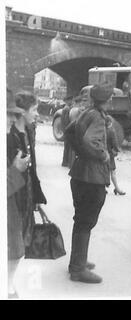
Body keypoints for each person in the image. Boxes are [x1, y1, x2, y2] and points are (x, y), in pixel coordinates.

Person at [65, 83, 113, 283]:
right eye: (110, 97)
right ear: (106, 100)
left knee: (81, 221)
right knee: (86, 222)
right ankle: (78, 269)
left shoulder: (86, 113)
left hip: (80, 174)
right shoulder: (98, 117)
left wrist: (81, 154)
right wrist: (102, 155)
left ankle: (77, 262)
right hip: (92, 178)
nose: (111, 100)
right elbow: (89, 141)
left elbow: (68, 133)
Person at [7, 90, 47, 297]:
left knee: (22, 238)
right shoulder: (9, 135)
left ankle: (9, 282)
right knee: (14, 245)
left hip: (26, 189)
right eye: (34, 109)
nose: (37, 113)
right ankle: (7, 287)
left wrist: (36, 197)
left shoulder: (29, 130)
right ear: (21, 112)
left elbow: (32, 167)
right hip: (13, 193)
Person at [7, 89, 31, 299]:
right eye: (7, 114)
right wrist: (16, 170)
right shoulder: (9, 137)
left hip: (15, 199)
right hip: (9, 201)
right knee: (14, 250)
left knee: (15, 249)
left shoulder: (11, 134)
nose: (11, 119)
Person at [106, 115, 125, 195]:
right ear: (110, 122)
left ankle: (103, 188)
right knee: (112, 172)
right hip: (109, 154)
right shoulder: (111, 131)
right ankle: (117, 188)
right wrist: (118, 150)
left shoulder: (102, 130)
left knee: (104, 171)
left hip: (102, 153)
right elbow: (115, 144)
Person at [61, 95, 74, 168]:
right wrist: (67, 130)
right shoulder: (67, 109)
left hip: (65, 130)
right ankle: (66, 162)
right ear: (67, 101)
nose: (72, 102)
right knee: (67, 147)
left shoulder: (66, 108)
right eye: (70, 100)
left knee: (67, 147)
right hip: (67, 130)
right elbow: (66, 121)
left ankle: (65, 162)